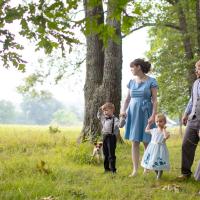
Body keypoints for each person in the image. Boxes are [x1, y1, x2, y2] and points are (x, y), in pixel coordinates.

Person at [120, 58, 158, 177]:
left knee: (146, 141)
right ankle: (135, 170)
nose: (131, 70)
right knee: (134, 141)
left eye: (132, 67)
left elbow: (155, 100)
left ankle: (146, 168)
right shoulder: (131, 82)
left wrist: (153, 116)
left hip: (146, 112)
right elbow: (127, 100)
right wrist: (123, 111)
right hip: (133, 112)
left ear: (139, 67)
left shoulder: (152, 81)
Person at [179, 60, 200, 180]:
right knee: (186, 145)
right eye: (196, 68)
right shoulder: (196, 83)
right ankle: (185, 173)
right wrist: (186, 113)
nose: (196, 70)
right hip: (193, 119)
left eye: (198, 68)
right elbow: (192, 100)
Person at [141, 113, 170, 180]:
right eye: (157, 121)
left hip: (160, 149)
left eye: (160, 121)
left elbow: (165, 137)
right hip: (153, 148)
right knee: (153, 161)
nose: (158, 123)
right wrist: (149, 124)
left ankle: (159, 175)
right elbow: (146, 131)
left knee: (159, 161)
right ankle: (157, 173)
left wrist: (164, 129)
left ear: (164, 122)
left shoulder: (165, 132)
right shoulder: (154, 130)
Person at [97, 102, 122, 174]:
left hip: (111, 137)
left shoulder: (115, 119)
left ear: (112, 110)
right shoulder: (103, 118)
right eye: (104, 111)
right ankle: (106, 169)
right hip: (104, 136)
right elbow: (98, 115)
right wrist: (100, 108)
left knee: (111, 154)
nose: (105, 112)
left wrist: (122, 118)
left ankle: (113, 170)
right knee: (105, 153)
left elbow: (120, 125)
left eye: (107, 110)